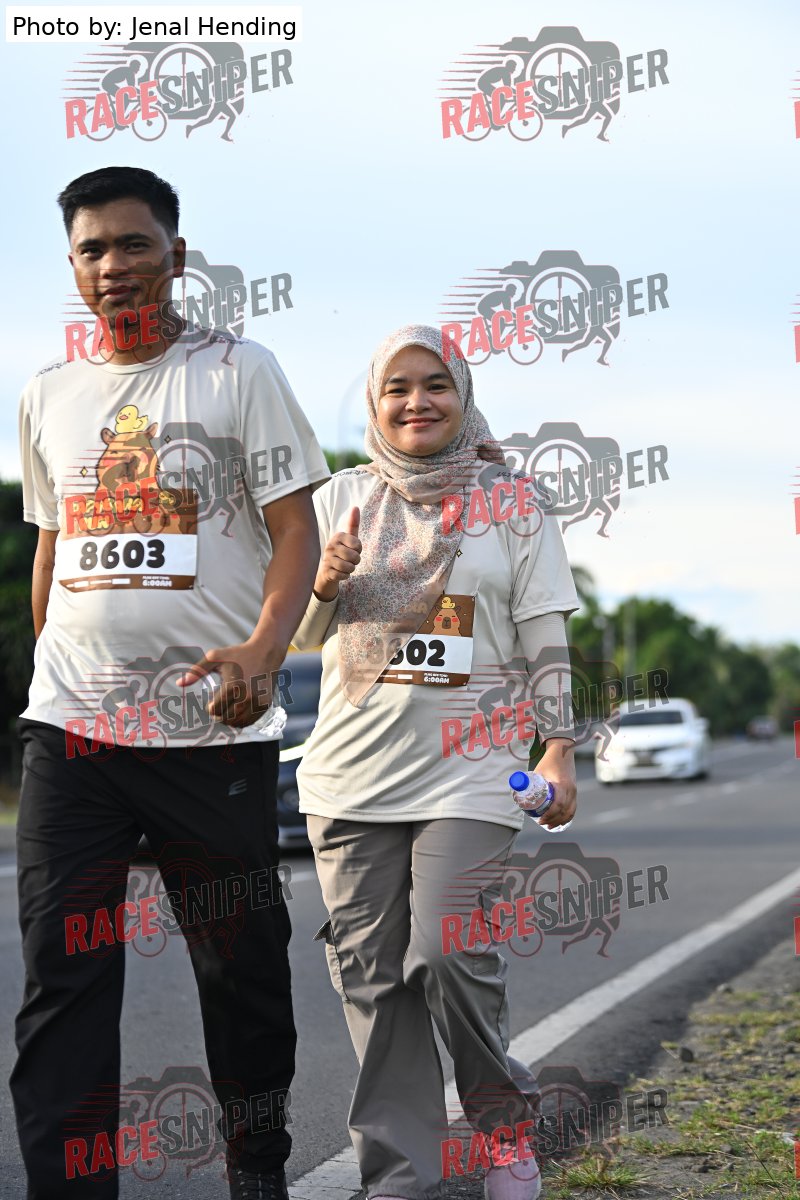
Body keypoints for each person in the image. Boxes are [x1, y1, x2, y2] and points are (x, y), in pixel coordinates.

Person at [12, 166, 329, 1200]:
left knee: (242, 969)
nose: (113, 264)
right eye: (92, 249)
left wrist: (265, 648)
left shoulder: (239, 372)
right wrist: (52, 667)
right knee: (63, 977)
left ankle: (256, 1169)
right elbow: (53, 547)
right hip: (73, 734)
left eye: (134, 243)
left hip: (210, 732)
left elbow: (294, 529)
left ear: (176, 256)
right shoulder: (48, 393)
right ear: (73, 267)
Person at [292, 324, 580, 1200]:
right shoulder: (338, 499)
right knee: (373, 979)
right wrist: (323, 581)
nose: (416, 402)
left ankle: (502, 1127)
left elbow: (545, 636)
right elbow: (294, 639)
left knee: (448, 952)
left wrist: (558, 748)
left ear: (462, 394)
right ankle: (401, 1175)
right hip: (350, 777)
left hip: (472, 769)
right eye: (397, 388)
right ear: (374, 404)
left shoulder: (513, 504)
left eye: (435, 384)